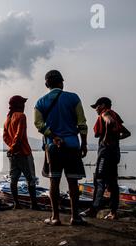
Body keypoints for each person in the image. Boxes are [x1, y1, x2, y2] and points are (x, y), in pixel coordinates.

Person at [34, 70, 88, 226]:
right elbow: (82, 123)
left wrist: (53, 136)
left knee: (54, 181)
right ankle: (75, 217)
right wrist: (84, 143)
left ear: (46, 84)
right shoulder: (73, 98)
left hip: (52, 147)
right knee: (73, 182)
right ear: (61, 83)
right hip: (72, 145)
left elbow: (38, 124)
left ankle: (55, 217)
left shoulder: (40, 103)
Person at [81, 97, 131, 220]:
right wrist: (114, 139)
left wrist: (106, 139)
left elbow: (109, 122)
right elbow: (126, 133)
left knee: (99, 180)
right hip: (115, 152)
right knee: (113, 183)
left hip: (105, 153)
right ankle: (113, 212)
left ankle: (93, 209)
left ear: (103, 105)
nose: (96, 110)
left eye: (96, 107)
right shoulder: (115, 115)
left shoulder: (106, 113)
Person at [3, 95, 41, 210]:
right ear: (19, 105)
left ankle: (16, 204)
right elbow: (19, 135)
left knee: (13, 179)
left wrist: (11, 148)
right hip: (24, 153)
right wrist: (14, 147)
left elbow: (5, 137)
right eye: (23, 103)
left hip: (13, 154)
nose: (24, 106)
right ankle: (34, 205)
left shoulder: (7, 120)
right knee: (31, 179)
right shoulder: (21, 116)